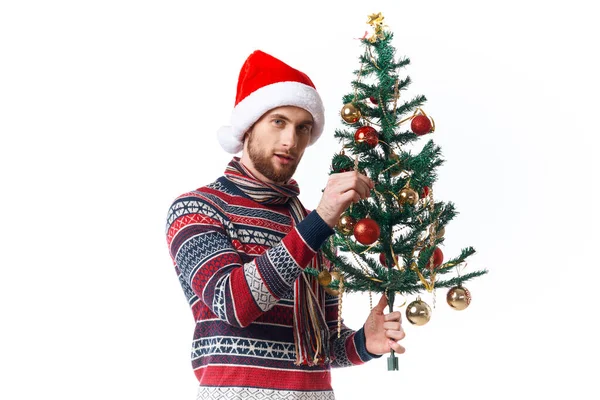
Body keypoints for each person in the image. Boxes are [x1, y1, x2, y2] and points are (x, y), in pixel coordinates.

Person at [165, 50, 405, 400]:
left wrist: (363, 343)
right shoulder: (197, 209)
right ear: (249, 125)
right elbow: (235, 303)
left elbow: (319, 347)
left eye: (302, 128)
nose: (291, 141)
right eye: (278, 122)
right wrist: (320, 219)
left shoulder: (313, 228)